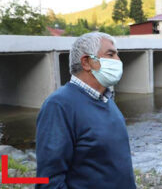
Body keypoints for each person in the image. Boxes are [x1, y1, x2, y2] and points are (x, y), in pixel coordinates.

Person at [36, 32, 137, 189]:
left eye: (117, 54)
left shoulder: (107, 99)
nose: (118, 60)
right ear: (86, 62)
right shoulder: (59, 105)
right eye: (111, 54)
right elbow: (49, 182)